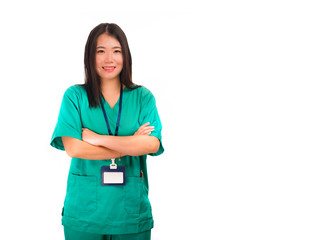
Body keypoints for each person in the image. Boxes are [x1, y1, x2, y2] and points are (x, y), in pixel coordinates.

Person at [50, 23, 164, 240]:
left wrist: (97, 139)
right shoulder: (74, 96)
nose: (109, 59)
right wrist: (129, 144)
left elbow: (151, 144)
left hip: (130, 214)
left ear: (126, 56)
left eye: (116, 51)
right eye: (100, 51)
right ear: (90, 57)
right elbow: (74, 148)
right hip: (84, 213)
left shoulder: (142, 97)